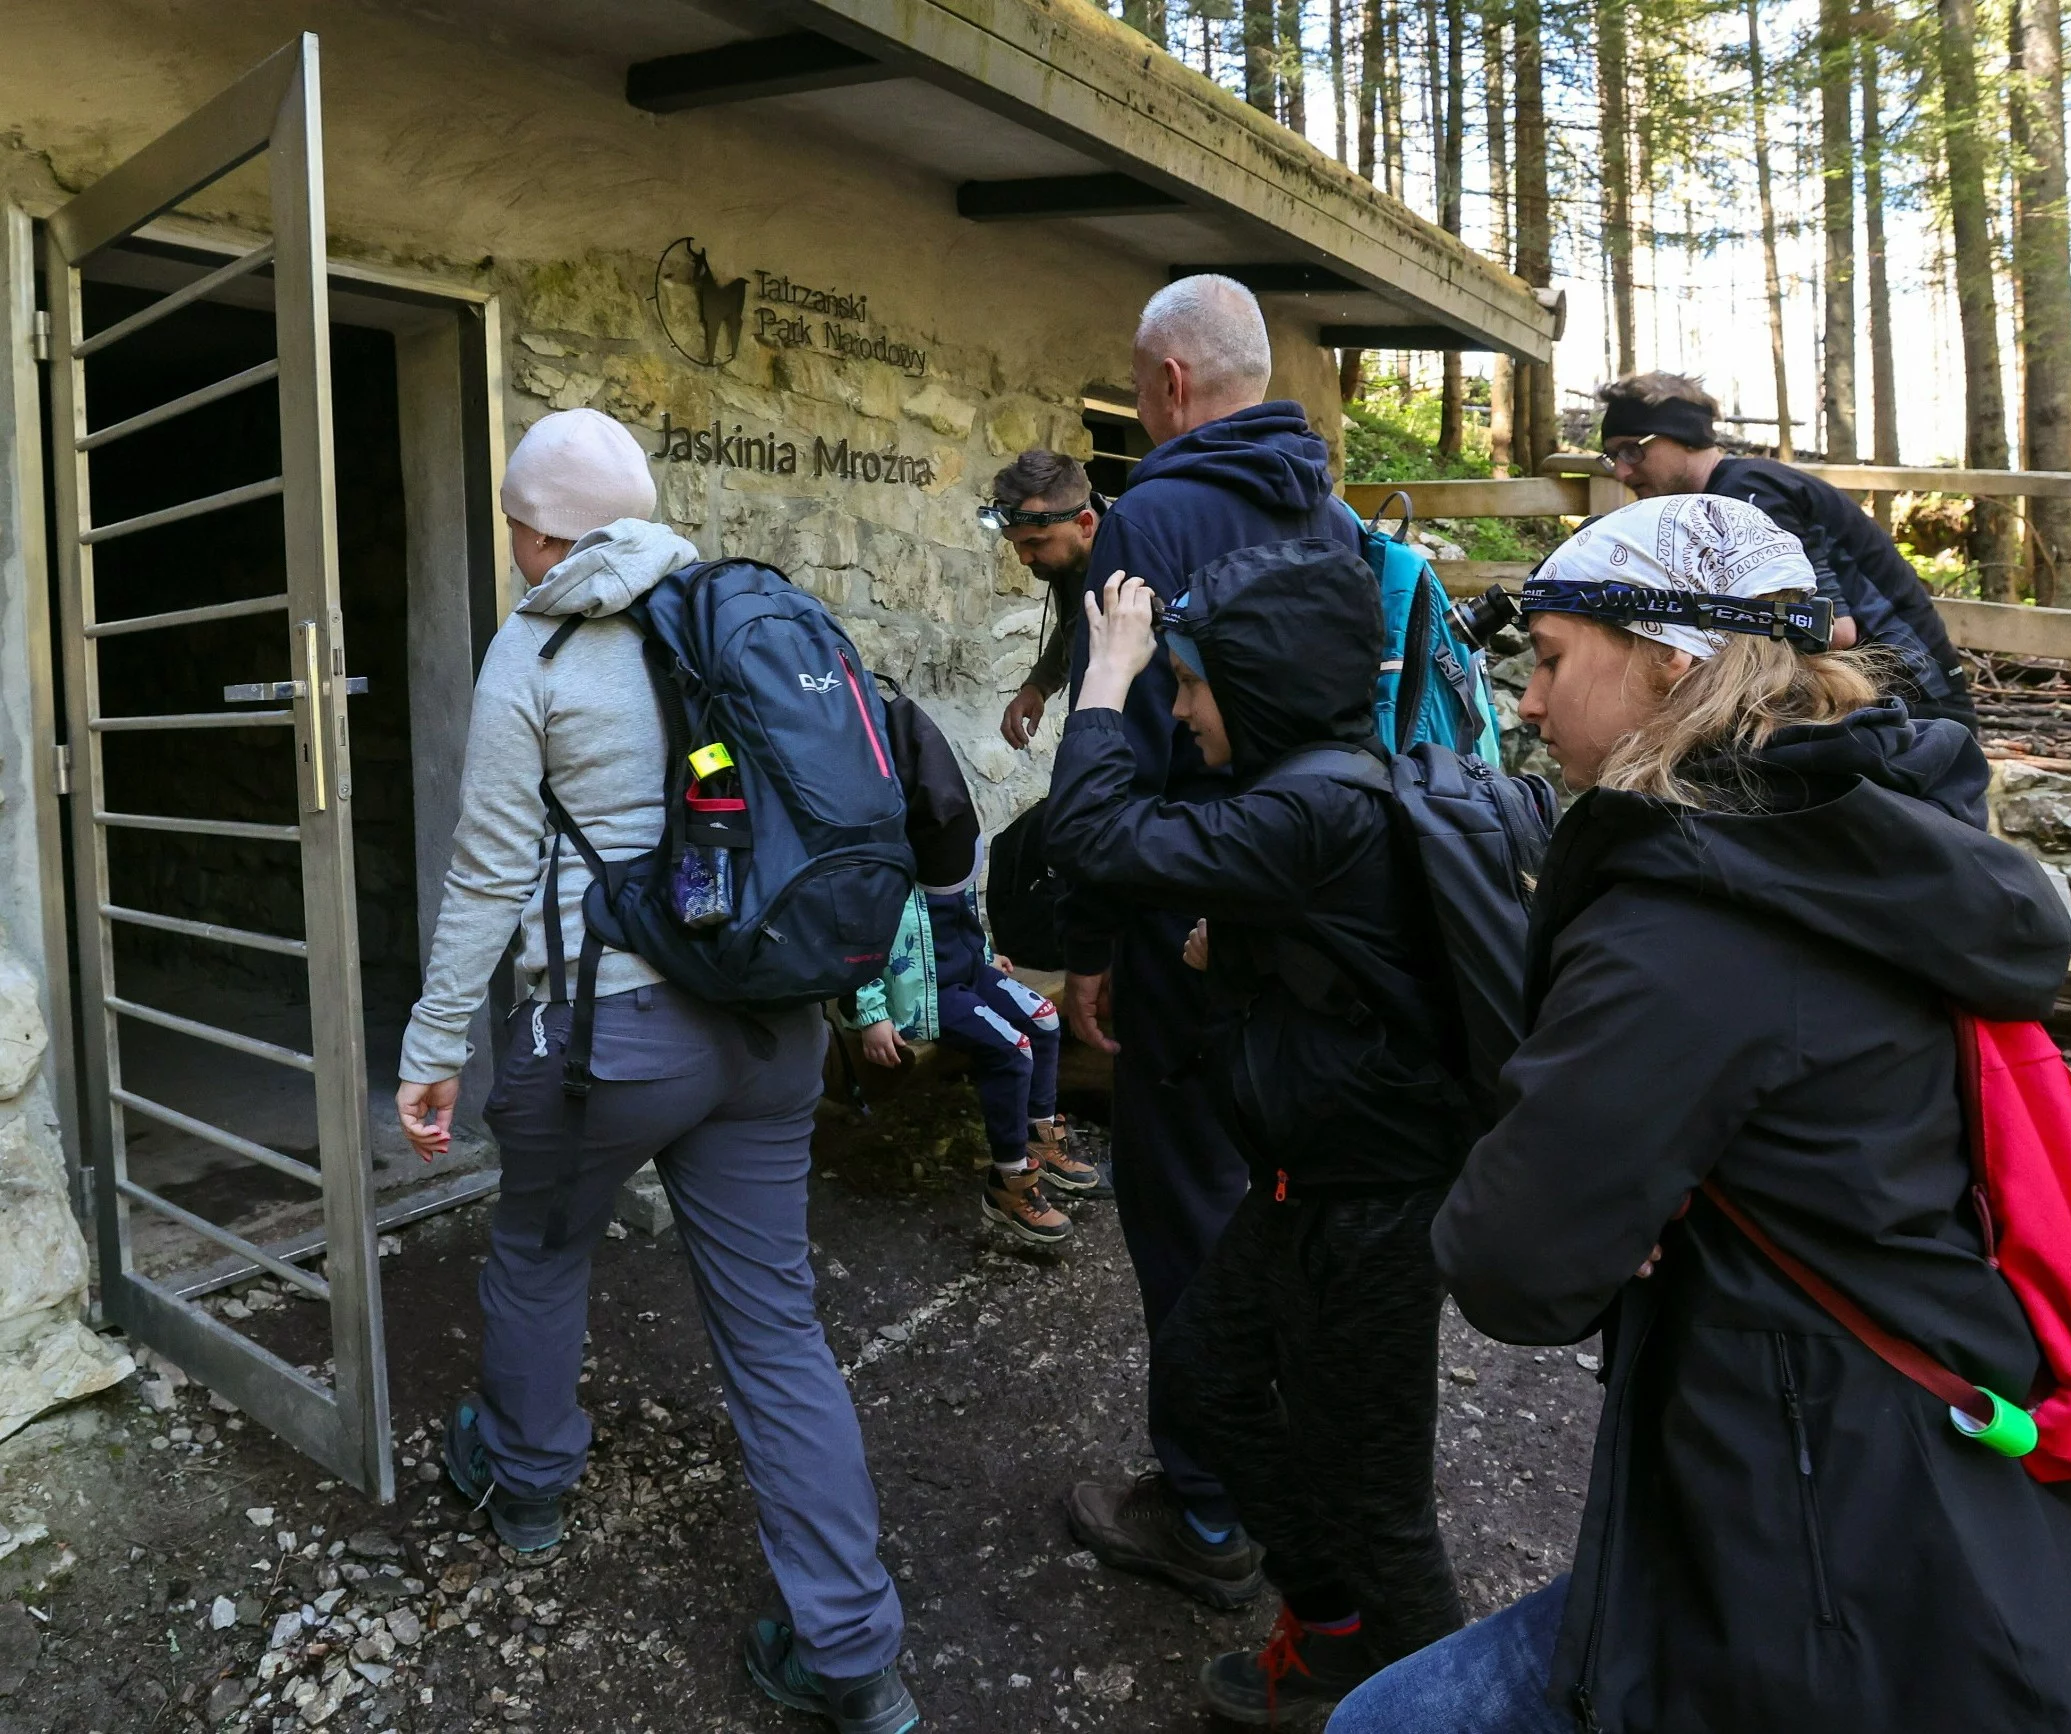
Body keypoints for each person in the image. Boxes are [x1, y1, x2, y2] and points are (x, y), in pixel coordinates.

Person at [1328, 494, 2071, 1734]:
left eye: (1552, 660)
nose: (1527, 704)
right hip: (1929, 1465)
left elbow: (1515, 1267)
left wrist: (1608, 1190)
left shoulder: (1686, 928)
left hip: (1823, 1559)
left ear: (1668, 662)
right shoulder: (1869, 835)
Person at [392, 408, 918, 1734]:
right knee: (775, 1325)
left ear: (535, 530)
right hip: (765, 1031)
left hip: (603, 1042)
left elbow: (487, 874)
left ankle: (522, 1486)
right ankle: (851, 1652)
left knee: (538, 1248)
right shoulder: (725, 617)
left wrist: (432, 1049)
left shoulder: (537, 649)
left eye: (516, 522)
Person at [1045, 549, 1471, 1724]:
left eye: (1191, 686)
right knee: (1210, 1376)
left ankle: (1437, 1703)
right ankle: (1333, 1634)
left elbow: (1091, 835)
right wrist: (1232, 950)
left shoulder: (1313, 805)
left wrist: (1107, 677)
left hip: (1378, 1212)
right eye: (1168, 684)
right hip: (1306, 1183)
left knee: (1382, 1503)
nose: (1179, 710)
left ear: (1260, 684)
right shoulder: (1314, 793)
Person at [1053, 274, 1364, 1608]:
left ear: (1170, 384)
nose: (1136, 402)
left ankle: (1202, 1504)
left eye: (1135, 382)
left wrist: (1087, 939)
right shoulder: (1334, 513)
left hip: (1179, 912)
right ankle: (1281, 1455)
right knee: (1277, 1199)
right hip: (1309, 906)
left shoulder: (1153, 511)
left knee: (1176, 1203)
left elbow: (1111, 732)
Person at [845, 689, 1109, 1245]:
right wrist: (870, 1014)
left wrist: (987, 954)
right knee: (1011, 1048)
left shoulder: (948, 835)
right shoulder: (879, 858)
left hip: (967, 968)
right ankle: (1009, 1178)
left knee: (1043, 1016)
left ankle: (1038, 1134)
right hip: (925, 993)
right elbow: (855, 941)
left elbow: (960, 905)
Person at [1591, 370, 1978, 730]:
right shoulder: (1725, 498)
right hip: (1873, 699)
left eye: (1632, 450)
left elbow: (1830, 631)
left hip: (1914, 708)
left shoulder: (1750, 496)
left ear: (1684, 435)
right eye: (1613, 457)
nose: (1623, 472)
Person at [990, 450, 1104, 751]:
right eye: (1015, 544)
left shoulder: (1134, 561)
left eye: (1034, 543)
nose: (1024, 558)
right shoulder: (1068, 561)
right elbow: (1075, 624)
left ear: (1085, 524)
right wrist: (1038, 685)